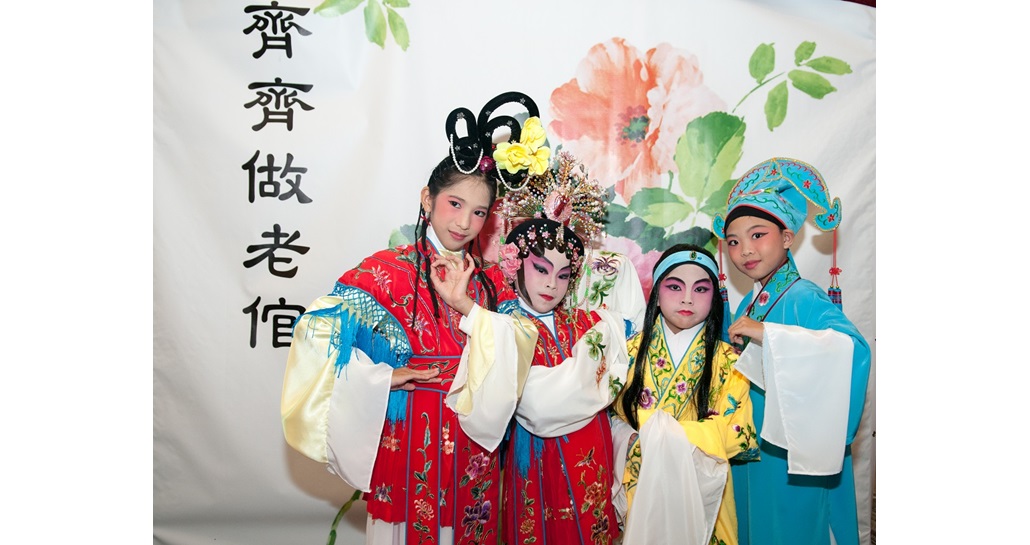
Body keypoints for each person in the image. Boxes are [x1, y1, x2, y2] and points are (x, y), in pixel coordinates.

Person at [280, 91, 550, 545]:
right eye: (454, 204)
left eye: (479, 212)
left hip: (472, 441)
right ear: (428, 199)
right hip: (408, 433)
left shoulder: (490, 283)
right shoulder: (387, 271)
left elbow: (525, 342)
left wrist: (467, 307)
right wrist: (380, 377)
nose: (464, 222)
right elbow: (316, 333)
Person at [435, 149, 632, 545]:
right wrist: (466, 306)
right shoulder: (505, 324)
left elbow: (626, 339)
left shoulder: (589, 322)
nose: (551, 284)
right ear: (514, 264)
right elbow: (534, 404)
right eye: (541, 269)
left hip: (590, 456)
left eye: (563, 275)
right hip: (534, 457)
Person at [711, 158, 872, 545]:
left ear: (787, 237)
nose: (745, 250)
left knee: (793, 529)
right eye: (733, 241)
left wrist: (768, 334)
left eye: (758, 235)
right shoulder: (750, 303)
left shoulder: (804, 297)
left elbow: (852, 350)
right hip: (755, 449)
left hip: (792, 456)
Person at [609, 244, 759, 545]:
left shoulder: (731, 361)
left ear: (714, 297)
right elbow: (611, 418)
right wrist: (633, 437)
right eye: (675, 287)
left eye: (701, 289)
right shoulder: (627, 352)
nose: (687, 298)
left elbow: (738, 434)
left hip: (702, 489)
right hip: (640, 482)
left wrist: (655, 432)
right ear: (657, 292)